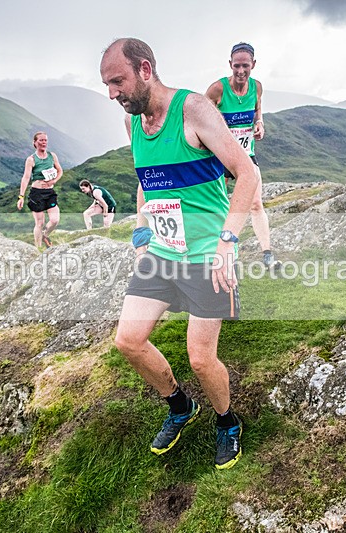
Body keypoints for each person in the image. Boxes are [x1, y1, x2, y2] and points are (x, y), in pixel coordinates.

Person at [101, 38, 258, 470]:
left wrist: (229, 241)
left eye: (118, 81)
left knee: (201, 358)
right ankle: (180, 406)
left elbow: (247, 173)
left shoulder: (194, 110)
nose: (112, 93)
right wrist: (139, 232)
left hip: (208, 253)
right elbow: (147, 181)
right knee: (128, 341)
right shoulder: (133, 124)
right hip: (163, 253)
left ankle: (227, 422)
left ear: (146, 70)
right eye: (107, 85)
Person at [205, 42, 280, 270]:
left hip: (246, 155)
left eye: (245, 66)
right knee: (218, 205)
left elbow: (258, 108)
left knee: (256, 203)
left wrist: (259, 123)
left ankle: (267, 255)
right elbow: (200, 117)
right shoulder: (217, 89)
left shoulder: (257, 87)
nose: (240, 71)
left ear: (253, 65)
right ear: (230, 64)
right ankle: (222, 254)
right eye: (236, 66)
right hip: (221, 156)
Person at [17, 131, 63, 249]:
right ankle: (38, 249)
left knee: (54, 220)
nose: (44, 142)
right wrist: (21, 196)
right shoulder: (31, 159)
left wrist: (54, 181)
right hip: (36, 194)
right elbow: (26, 178)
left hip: (49, 193)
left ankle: (45, 235)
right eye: (41, 140)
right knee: (40, 223)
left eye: (45, 140)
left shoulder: (52, 156)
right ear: (35, 143)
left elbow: (60, 171)